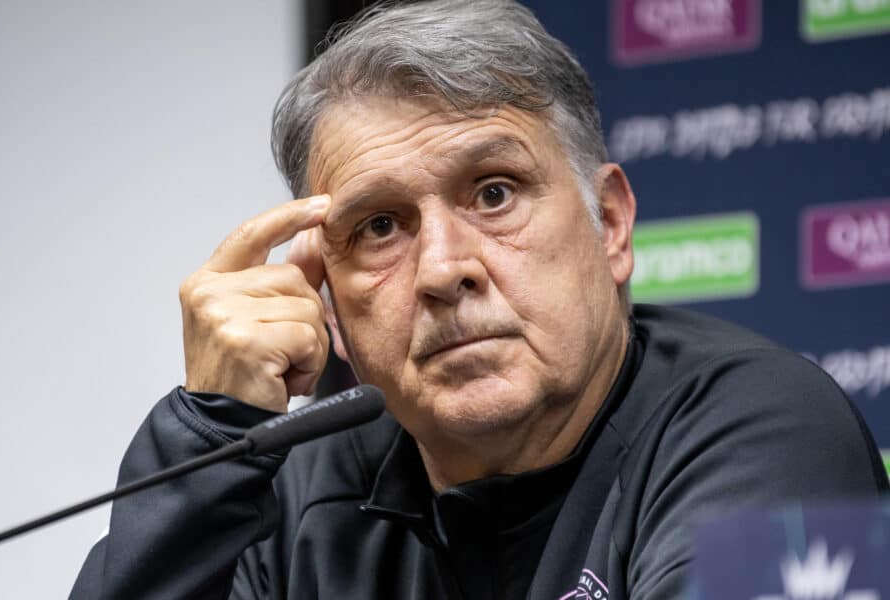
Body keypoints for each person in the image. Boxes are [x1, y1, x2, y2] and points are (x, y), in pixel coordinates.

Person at [71, 1, 889, 598]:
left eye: (494, 194)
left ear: (608, 224)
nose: (441, 269)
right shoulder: (299, 496)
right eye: (381, 225)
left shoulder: (764, 428)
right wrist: (211, 434)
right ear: (327, 299)